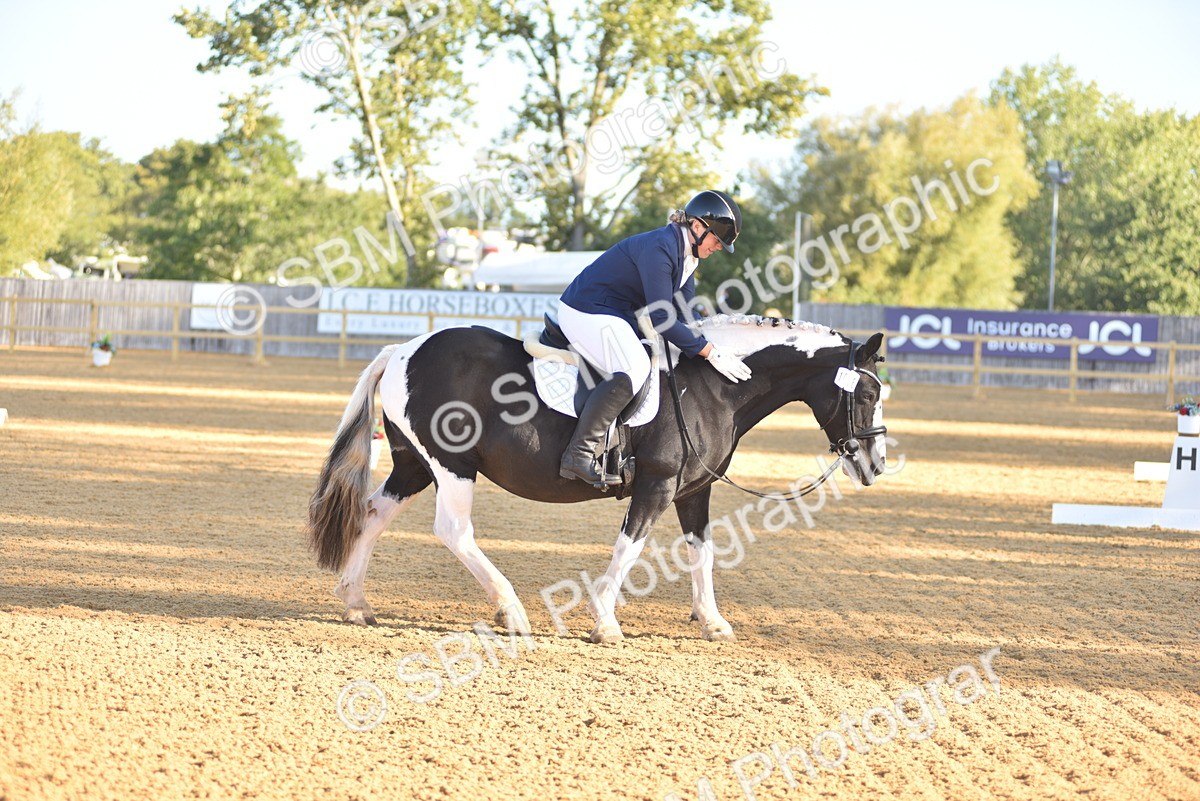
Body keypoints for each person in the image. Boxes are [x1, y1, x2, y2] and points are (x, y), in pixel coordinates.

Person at [556, 190, 753, 486]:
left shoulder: (688, 258)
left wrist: (714, 345)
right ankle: (579, 453)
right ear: (698, 227)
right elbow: (661, 319)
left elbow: (686, 317)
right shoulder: (660, 248)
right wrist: (709, 351)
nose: (718, 248)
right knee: (634, 367)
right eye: (717, 241)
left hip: (615, 315)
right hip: (586, 310)